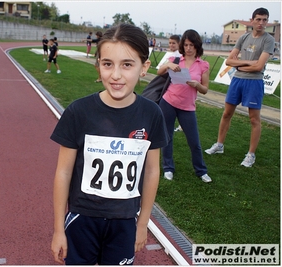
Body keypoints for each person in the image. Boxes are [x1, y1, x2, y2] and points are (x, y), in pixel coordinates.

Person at [50, 23, 168, 265]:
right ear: (98, 66)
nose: (116, 75)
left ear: (144, 68)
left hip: (125, 221)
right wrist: (58, 229)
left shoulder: (152, 114)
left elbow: (152, 170)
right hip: (82, 218)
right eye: (107, 64)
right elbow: (63, 172)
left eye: (127, 64)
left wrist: (143, 223)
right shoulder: (78, 112)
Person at [205, 7, 275, 168]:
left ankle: (251, 154)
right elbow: (229, 61)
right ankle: (219, 145)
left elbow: (259, 67)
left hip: (254, 82)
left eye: (265, 20)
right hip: (237, 81)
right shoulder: (243, 38)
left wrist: (243, 65)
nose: (261, 23)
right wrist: (250, 63)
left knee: (254, 119)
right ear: (252, 20)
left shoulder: (268, 40)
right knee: (227, 113)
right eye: (258, 19)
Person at [157, 29, 212, 183]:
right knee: (167, 137)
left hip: (188, 107)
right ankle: (168, 167)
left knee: (194, 142)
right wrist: (168, 65)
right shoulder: (176, 59)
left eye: (191, 45)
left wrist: (197, 85)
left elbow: (205, 89)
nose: (188, 48)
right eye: (186, 45)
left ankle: (201, 170)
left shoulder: (203, 65)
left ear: (197, 46)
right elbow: (159, 72)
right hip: (168, 101)